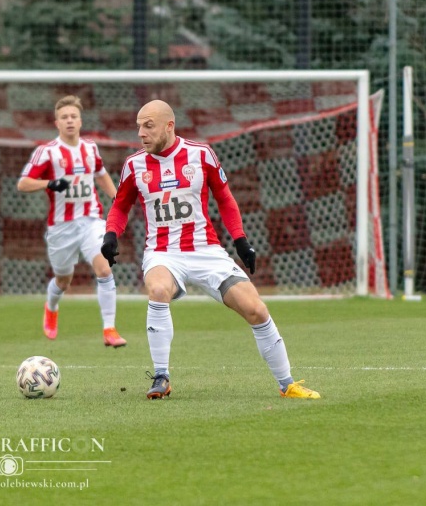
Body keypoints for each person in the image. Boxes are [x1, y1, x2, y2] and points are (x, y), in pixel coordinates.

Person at [101, 99, 320, 400]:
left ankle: (288, 385)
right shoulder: (134, 165)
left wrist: (241, 241)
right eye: (138, 126)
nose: (141, 133)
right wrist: (111, 235)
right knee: (158, 290)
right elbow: (120, 206)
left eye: (148, 125)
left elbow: (225, 199)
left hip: (207, 250)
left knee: (255, 309)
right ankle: (161, 376)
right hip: (163, 253)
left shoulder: (200, 155)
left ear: (169, 126)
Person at [17, 95, 127, 348]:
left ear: (80, 121)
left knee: (104, 268)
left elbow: (101, 174)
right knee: (63, 281)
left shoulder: (90, 148)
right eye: (64, 117)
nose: (69, 121)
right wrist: (49, 183)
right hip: (62, 228)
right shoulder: (47, 153)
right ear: (57, 123)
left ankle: (109, 329)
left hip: (91, 221)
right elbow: (23, 183)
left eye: (73, 117)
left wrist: (118, 199)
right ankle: (51, 307)